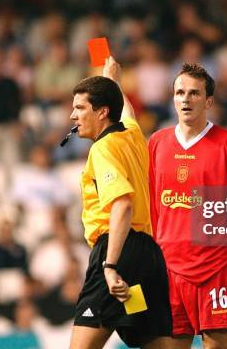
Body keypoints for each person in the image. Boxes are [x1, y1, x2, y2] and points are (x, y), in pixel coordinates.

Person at [148, 63, 227, 348]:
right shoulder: (157, 143)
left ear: (209, 101)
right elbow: (150, 206)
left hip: (217, 268)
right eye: (179, 92)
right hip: (169, 269)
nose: (186, 99)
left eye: (194, 93)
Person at [69, 57, 172, 349]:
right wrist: (112, 80)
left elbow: (122, 204)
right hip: (148, 258)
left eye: (80, 108)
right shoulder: (133, 136)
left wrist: (110, 265)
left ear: (102, 113)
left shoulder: (102, 149)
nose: (73, 116)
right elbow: (126, 112)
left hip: (117, 253)